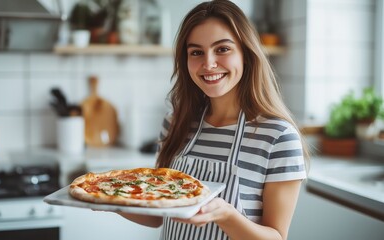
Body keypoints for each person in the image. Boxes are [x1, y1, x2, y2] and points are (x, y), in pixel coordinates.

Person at [119, 0, 308, 239]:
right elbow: (157, 214)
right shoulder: (176, 124)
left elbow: (277, 237)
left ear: (246, 55)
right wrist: (109, 200)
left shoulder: (278, 137)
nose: (208, 64)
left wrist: (226, 215)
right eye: (196, 52)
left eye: (222, 49)